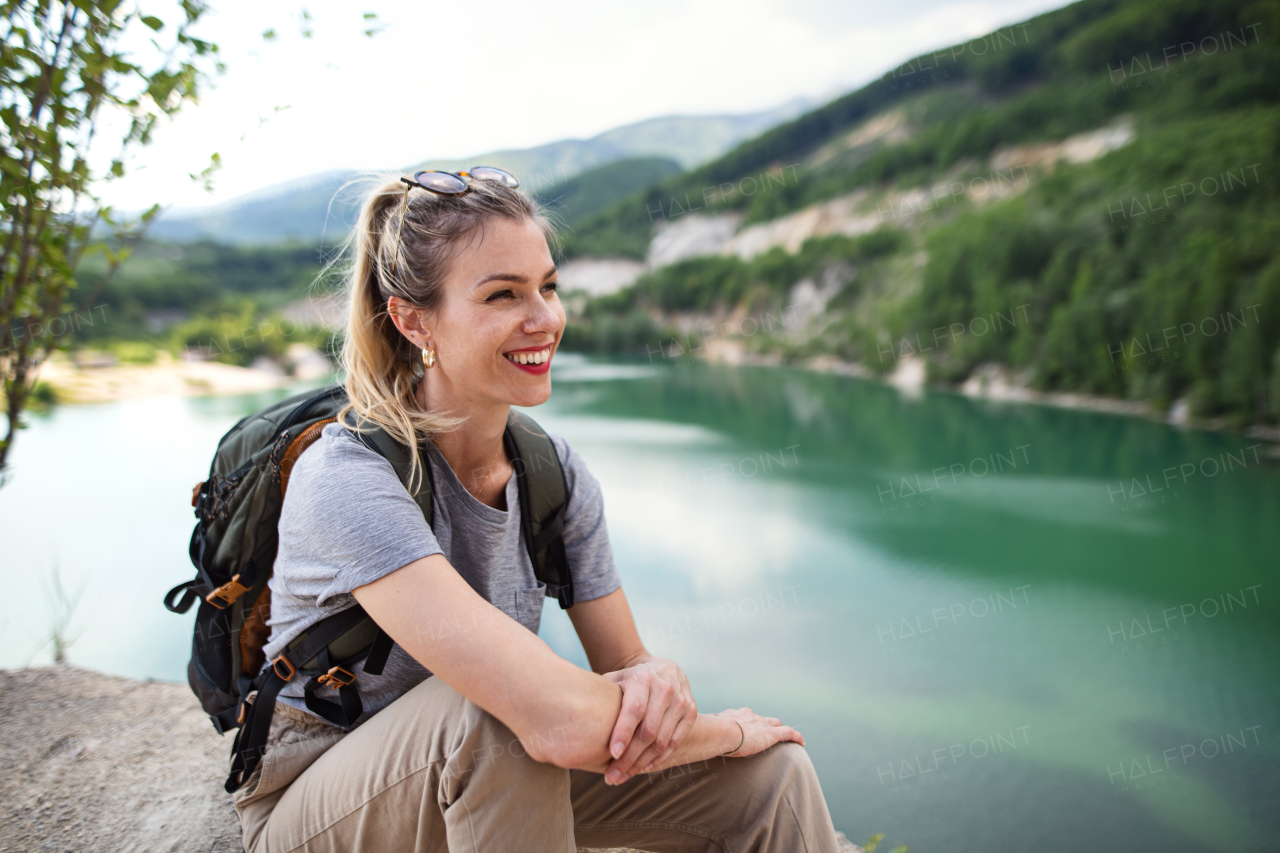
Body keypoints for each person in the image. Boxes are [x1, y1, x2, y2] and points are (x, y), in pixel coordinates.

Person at [230, 166, 843, 852]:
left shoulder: (555, 475)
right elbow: (552, 721)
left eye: (548, 286)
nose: (545, 318)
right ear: (412, 319)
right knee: (500, 720)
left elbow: (625, 661)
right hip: (319, 802)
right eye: (503, 294)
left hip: (481, 777)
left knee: (769, 773)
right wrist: (724, 728)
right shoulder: (347, 478)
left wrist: (654, 675)